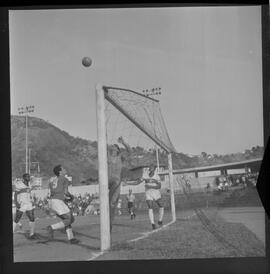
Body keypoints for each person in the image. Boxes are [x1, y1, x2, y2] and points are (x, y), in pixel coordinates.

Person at [124, 164, 164, 230]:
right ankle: (153, 224)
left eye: (151, 167)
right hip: (148, 193)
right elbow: (137, 182)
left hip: (156, 192)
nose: (150, 168)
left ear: (154, 169)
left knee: (161, 205)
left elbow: (159, 186)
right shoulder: (145, 175)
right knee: (150, 207)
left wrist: (151, 186)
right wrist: (127, 183)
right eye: (149, 167)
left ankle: (160, 220)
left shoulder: (157, 176)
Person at [47, 165, 79, 244]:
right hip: (57, 201)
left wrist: (65, 199)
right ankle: (51, 227)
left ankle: (71, 238)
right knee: (69, 219)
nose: (65, 169)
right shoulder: (64, 179)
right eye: (63, 169)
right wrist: (72, 197)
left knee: (69, 219)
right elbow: (65, 192)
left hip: (52, 201)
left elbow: (55, 191)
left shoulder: (52, 180)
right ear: (60, 172)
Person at [108, 136, 131, 232]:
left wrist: (123, 142)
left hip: (116, 183)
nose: (113, 148)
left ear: (118, 150)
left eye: (115, 147)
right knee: (107, 203)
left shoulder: (120, 158)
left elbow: (129, 151)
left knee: (112, 204)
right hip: (107, 182)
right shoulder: (107, 157)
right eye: (112, 146)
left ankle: (109, 223)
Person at [13, 174, 38, 239]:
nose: (29, 177)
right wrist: (16, 203)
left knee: (32, 218)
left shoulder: (29, 184)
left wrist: (32, 201)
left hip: (28, 203)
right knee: (17, 218)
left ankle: (31, 234)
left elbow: (29, 193)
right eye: (27, 176)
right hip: (22, 204)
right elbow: (15, 194)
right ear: (24, 178)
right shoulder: (19, 184)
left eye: (29, 176)